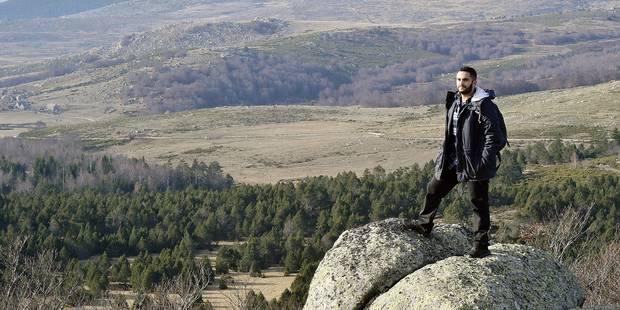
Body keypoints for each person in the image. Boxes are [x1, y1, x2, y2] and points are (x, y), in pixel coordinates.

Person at [405, 66, 506, 258]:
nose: (461, 83)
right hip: (453, 159)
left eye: (465, 80)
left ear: (474, 82)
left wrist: (482, 162)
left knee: (478, 203)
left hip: (475, 163)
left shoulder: (484, 105)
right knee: (434, 189)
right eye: (458, 80)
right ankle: (424, 224)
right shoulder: (455, 101)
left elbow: (493, 136)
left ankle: (481, 246)